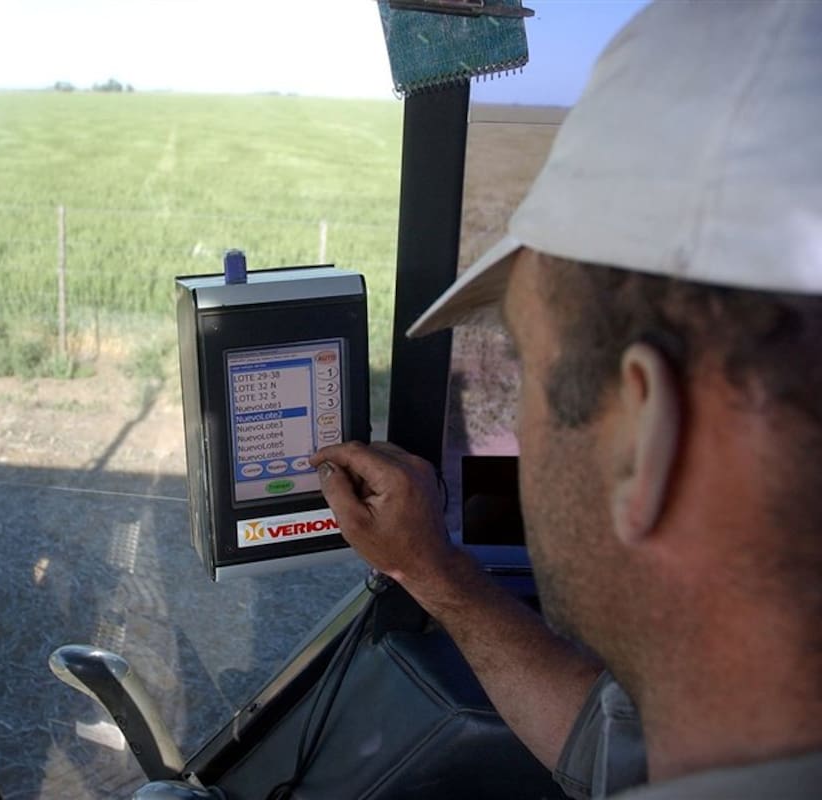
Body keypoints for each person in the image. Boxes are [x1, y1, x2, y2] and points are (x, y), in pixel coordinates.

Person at [310, 2, 822, 797]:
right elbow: (610, 747)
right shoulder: (728, 728)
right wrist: (432, 570)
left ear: (641, 442)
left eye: (528, 367)